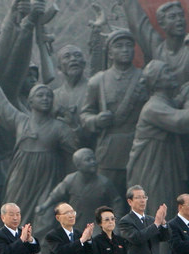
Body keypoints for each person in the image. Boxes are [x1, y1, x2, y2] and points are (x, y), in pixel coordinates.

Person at [0, 66, 77, 240]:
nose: (45, 99)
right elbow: (0, 105)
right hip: (20, 178)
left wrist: (74, 124)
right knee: (14, 216)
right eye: (40, 96)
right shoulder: (21, 121)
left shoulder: (59, 128)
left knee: (44, 221)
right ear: (30, 101)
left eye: (49, 96)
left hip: (47, 179)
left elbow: (75, 153)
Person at [80, 30, 148, 200]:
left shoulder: (144, 78)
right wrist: (96, 120)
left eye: (129, 46)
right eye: (119, 46)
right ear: (110, 53)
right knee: (108, 198)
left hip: (138, 147)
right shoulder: (98, 81)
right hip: (108, 150)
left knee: (138, 198)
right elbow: (85, 115)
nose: (125, 50)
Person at [127, 60, 189, 219]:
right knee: (162, 214)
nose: (173, 75)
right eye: (167, 72)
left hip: (164, 168)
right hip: (153, 171)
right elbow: (181, 122)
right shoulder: (153, 107)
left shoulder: (166, 103)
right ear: (157, 81)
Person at [35, 148, 125, 228]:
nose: (93, 162)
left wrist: (115, 222)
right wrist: (44, 206)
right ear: (78, 165)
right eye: (88, 160)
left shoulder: (104, 182)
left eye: (93, 159)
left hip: (96, 223)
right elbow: (56, 195)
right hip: (75, 221)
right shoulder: (70, 180)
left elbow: (116, 202)